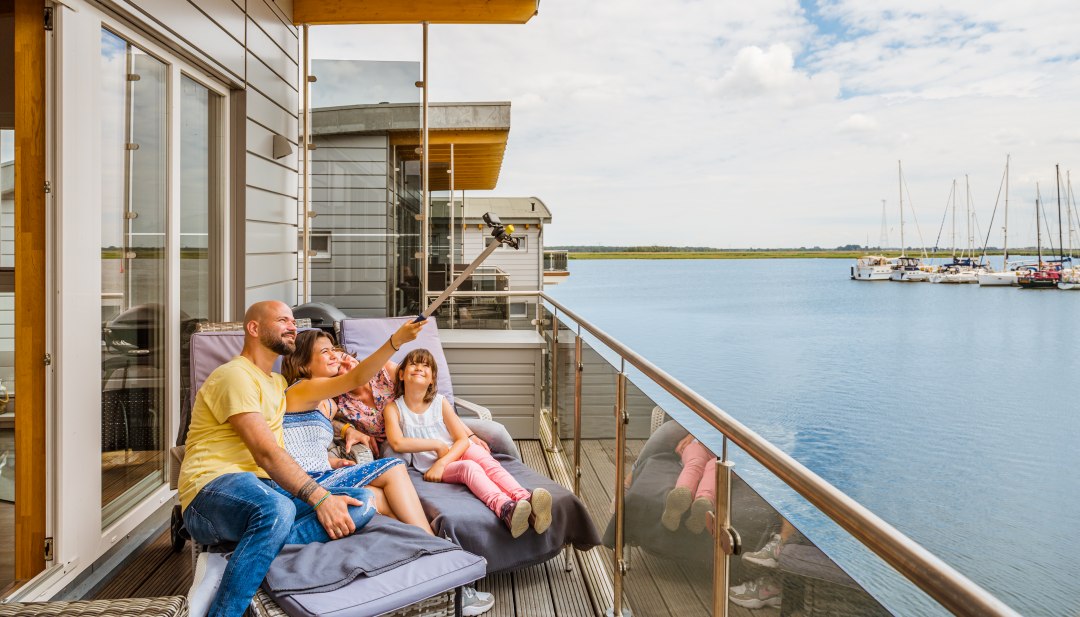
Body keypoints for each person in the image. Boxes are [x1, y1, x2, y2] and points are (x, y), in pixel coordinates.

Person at [176, 301, 423, 617]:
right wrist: (321, 499)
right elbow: (265, 452)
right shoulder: (234, 375)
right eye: (282, 320)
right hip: (211, 492)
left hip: (265, 490)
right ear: (254, 328)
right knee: (277, 508)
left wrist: (395, 342)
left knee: (361, 502)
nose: (292, 326)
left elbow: (346, 384)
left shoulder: (277, 385)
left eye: (293, 321)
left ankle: (234, 557)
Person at [384, 348, 552, 539]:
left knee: (485, 460)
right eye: (413, 364)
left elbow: (462, 440)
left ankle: (525, 499)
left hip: (451, 454)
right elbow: (397, 443)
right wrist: (436, 447)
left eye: (426, 365)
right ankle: (505, 508)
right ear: (401, 374)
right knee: (468, 468)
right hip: (431, 465)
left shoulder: (440, 403)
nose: (419, 368)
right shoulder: (394, 408)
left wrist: (443, 460)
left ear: (432, 379)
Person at [279, 330, 432, 533]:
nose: (335, 356)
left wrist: (338, 447)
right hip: (302, 483)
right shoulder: (301, 389)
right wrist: (396, 341)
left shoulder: (329, 404)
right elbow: (357, 378)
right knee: (393, 467)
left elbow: (303, 441)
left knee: (381, 498)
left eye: (334, 349)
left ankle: (425, 540)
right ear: (303, 365)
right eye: (325, 352)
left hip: (322, 474)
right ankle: (432, 541)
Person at [331, 350, 519, 460]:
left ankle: (521, 480)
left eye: (344, 355)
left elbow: (430, 396)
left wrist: (468, 435)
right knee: (393, 462)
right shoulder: (339, 402)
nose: (347, 362)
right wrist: (347, 429)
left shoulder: (384, 369)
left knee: (497, 432)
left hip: (433, 422)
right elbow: (323, 419)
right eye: (339, 366)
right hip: (395, 439)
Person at [660, 434, 717, 534]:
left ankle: (698, 502)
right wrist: (692, 434)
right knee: (709, 467)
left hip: (727, 455)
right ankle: (698, 498)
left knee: (702, 465)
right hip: (701, 443)